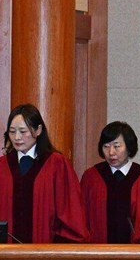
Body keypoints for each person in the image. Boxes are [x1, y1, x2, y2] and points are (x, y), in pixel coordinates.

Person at [0, 104, 89, 243]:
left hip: (45, 255)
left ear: (38, 130)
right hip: (5, 256)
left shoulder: (56, 164)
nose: (17, 137)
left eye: (23, 131)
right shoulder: (2, 166)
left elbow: (70, 212)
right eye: (12, 131)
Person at [80, 121, 140, 243]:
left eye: (117, 146)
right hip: (98, 253)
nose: (111, 152)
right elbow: (82, 217)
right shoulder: (91, 177)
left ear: (129, 147)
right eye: (106, 146)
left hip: (134, 254)